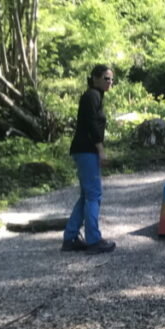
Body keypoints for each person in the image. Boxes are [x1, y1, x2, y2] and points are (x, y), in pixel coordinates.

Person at [62, 64, 117, 254]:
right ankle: (94, 240)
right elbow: (91, 124)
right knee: (94, 194)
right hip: (86, 151)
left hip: (83, 150)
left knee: (87, 195)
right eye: (105, 78)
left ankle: (70, 238)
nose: (109, 82)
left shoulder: (94, 96)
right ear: (95, 78)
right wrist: (100, 150)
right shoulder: (92, 96)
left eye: (111, 79)